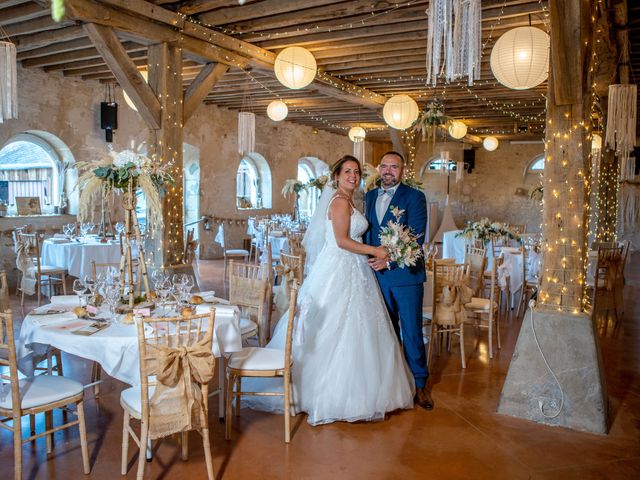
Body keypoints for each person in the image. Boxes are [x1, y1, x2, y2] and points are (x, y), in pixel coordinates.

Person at [243, 155, 415, 425]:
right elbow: (343, 241)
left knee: (357, 327)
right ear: (336, 176)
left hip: (356, 270)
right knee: (335, 325)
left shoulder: (350, 200)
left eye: (356, 172)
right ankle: (329, 393)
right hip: (340, 268)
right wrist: (375, 250)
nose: (353, 176)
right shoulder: (338, 202)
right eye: (347, 171)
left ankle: (362, 388)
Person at [364, 151, 433, 410]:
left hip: (406, 277)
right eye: (384, 166)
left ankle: (420, 385)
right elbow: (368, 234)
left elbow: (415, 237)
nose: (388, 171)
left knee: (412, 331)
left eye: (394, 167)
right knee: (386, 331)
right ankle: (394, 383)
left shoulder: (415, 197)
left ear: (402, 171)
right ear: (379, 169)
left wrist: (389, 261)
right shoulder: (370, 196)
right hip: (376, 277)